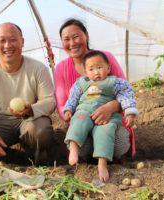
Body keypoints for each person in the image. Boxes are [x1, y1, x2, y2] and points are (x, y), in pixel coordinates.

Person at [0, 23, 56, 165]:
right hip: (1, 122)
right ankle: (20, 160)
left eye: (13, 39)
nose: (7, 45)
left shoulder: (38, 69)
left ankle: (37, 155)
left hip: (28, 119)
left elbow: (49, 100)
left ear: (22, 42)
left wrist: (31, 109)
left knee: (41, 131)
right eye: (2, 40)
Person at [54, 18, 135, 161]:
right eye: (66, 39)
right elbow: (62, 104)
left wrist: (111, 107)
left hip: (109, 120)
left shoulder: (105, 58)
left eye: (76, 37)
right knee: (79, 144)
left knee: (119, 144)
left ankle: (106, 158)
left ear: (86, 36)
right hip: (82, 119)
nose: (72, 43)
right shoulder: (61, 68)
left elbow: (124, 90)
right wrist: (71, 114)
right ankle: (92, 157)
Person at [63, 50, 138, 182]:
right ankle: (73, 148)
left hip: (107, 117)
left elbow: (126, 96)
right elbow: (72, 98)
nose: (96, 72)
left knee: (106, 132)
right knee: (78, 122)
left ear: (108, 68)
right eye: (91, 69)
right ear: (85, 72)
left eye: (100, 67)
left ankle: (102, 164)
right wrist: (68, 109)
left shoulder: (115, 82)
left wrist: (130, 112)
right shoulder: (81, 83)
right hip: (85, 111)